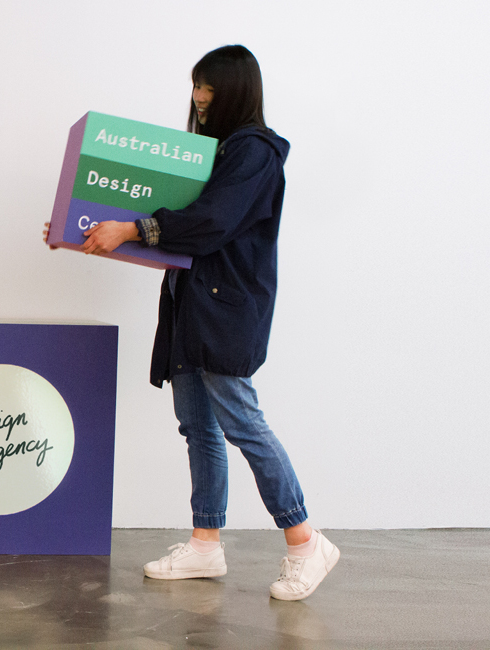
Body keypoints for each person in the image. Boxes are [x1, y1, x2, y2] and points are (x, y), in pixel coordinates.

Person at [45, 45, 338, 601]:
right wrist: (77, 228)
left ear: (235, 90)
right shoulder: (213, 152)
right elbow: (171, 220)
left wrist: (131, 228)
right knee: (198, 426)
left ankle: (305, 540)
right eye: (196, 86)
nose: (199, 97)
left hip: (225, 309)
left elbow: (209, 222)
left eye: (209, 87)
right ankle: (206, 543)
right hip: (192, 304)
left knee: (242, 423)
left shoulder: (253, 152)